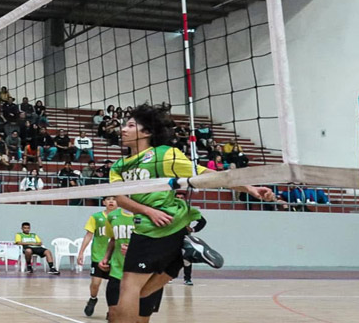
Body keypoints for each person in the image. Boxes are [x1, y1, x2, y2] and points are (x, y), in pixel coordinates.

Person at [111, 104, 271, 322]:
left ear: (147, 132)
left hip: (158, 227)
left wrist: (250, 188)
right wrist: (147, 210)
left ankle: (183, 254)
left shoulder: (163, 155)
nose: (123, 129)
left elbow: (206, 175)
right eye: (124, 125)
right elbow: (119, 198)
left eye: (130, 125)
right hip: (159, 225)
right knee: (140, 293)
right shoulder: (119, 166)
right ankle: (182, 256)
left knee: (128, 288)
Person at [77, 196, 118, 317]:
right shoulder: (96, 217)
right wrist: (81, 252)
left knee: (114, 286)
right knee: (95, 283)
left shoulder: (122, 217)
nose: (111, 201)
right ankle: (93, 298)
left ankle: (112, 310)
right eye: (108, 199)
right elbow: (89, 235)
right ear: (104, 202)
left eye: (114, 199)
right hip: (98, 255)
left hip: (115, 257)